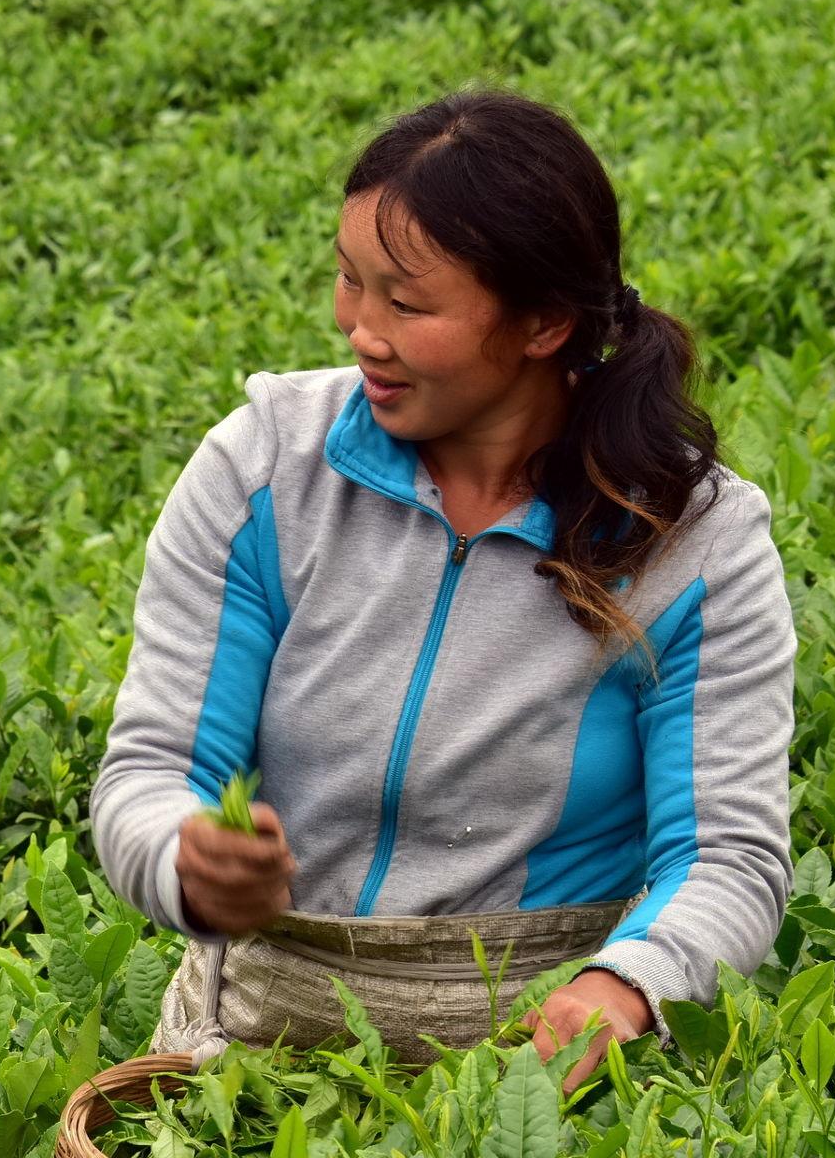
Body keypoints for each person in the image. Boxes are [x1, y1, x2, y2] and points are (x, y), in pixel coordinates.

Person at [91, 90, 795, 1091]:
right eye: (348, 281)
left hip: (534, 1051)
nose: (358, 330)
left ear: (544, 322)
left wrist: (629, 985)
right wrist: (183, 860)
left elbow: (726, 856)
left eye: (407, 304)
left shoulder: (692, 536)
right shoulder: (265, 472)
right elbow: (150, 770)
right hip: (263, 1020)